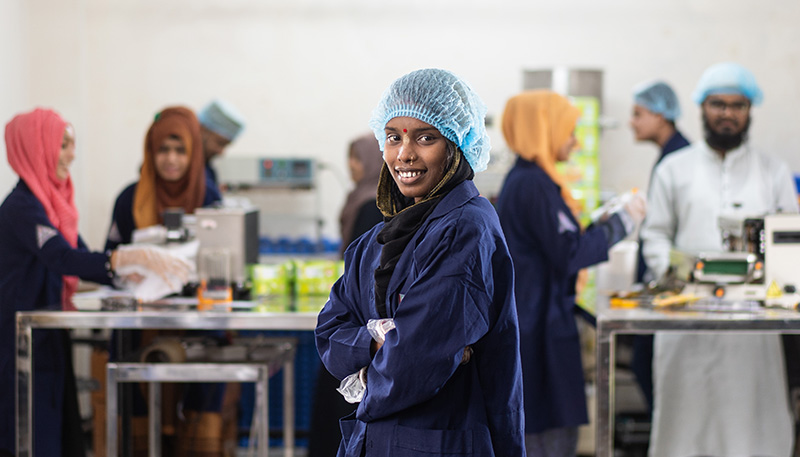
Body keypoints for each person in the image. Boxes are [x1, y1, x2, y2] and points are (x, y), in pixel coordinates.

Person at [315, 68, 526, 456]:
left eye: (426, 138)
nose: (404, 154)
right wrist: (378, 339)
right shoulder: (374, 242)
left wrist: (364, 373)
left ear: (457, 143)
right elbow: (329, 332)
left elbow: (414, 362)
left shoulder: (466, 227)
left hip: (444, 440)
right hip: (374, 442)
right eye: (393, 137)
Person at [0, 108, 191, 457]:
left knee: (59, 433)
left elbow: (83, 259)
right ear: (34, 147)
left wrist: (129, 275)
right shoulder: (21, 207)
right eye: (63, 145)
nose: (72, 154)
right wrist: (131, 257)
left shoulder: (50, 206)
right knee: (31, 435)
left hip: (49, 335)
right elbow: (62, 258)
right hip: (19, 341)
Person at [640, 62, 799, 457]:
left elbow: (789, 241)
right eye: (718, 104)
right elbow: (655, 234)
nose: (727, 113)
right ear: (701, 108)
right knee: (684, 428)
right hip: (684, 320)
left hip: (752, 327)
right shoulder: (674, 170)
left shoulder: (772, 171)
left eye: (737, 105)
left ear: (749, 110)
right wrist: (681, 277)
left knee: (750, 430)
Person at [495, 90, 646, 457]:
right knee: (545, 434)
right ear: (543, 130)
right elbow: (570, 252)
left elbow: (560, 238)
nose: (576, 142)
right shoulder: (531, 185)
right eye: (569, 131)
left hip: (543, 319)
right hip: (537, 328)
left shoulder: (533, 182)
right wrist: (624, 221)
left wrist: (601, 221)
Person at [309, 133, 384, 457]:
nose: (350, 166)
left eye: (355, 158)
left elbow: (360, 267)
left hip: (360, 324)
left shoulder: (371, 205)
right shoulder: (364, 197)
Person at [628, 80, 691, 415]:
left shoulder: (680, 160)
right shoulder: (670, 157)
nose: (631, 122)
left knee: (649, 365)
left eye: (638, 114)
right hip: (665, 283)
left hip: (676, 287)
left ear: (662, 115)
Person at [105, 106, 221, 251]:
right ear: (151, 151)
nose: (171, 159)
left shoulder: (209, 197)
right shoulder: (130, 199)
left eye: (180, 150)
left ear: (193, 153)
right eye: (163, 149)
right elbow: (111, 257)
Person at [197, 99, 246, 194]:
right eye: (220, 143)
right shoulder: (181, 166)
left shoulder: (207, 170)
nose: (221, 152)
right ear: (202, 129)